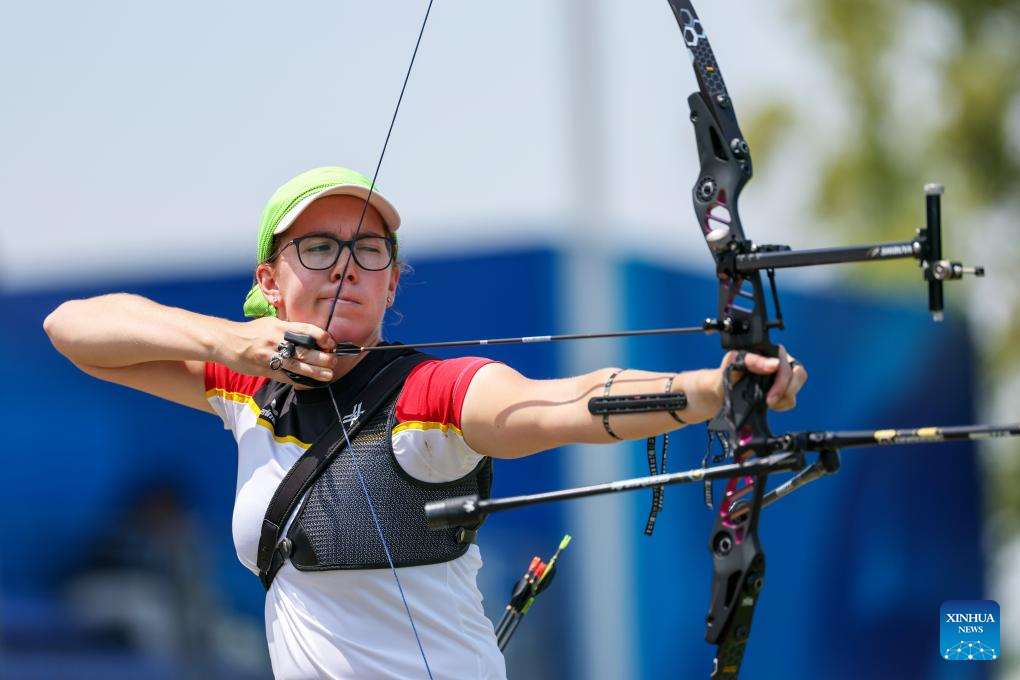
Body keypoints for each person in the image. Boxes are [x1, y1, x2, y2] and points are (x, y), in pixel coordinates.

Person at [44, 166, 808, 679]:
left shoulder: (427, 396)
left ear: (392, 283)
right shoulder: (244, 388)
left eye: (369, 250)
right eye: (319, 247)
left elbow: (565, 403)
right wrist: (228, 342)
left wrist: (711, 389)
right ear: (270, 281)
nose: (347, 265)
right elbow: (73, 329)